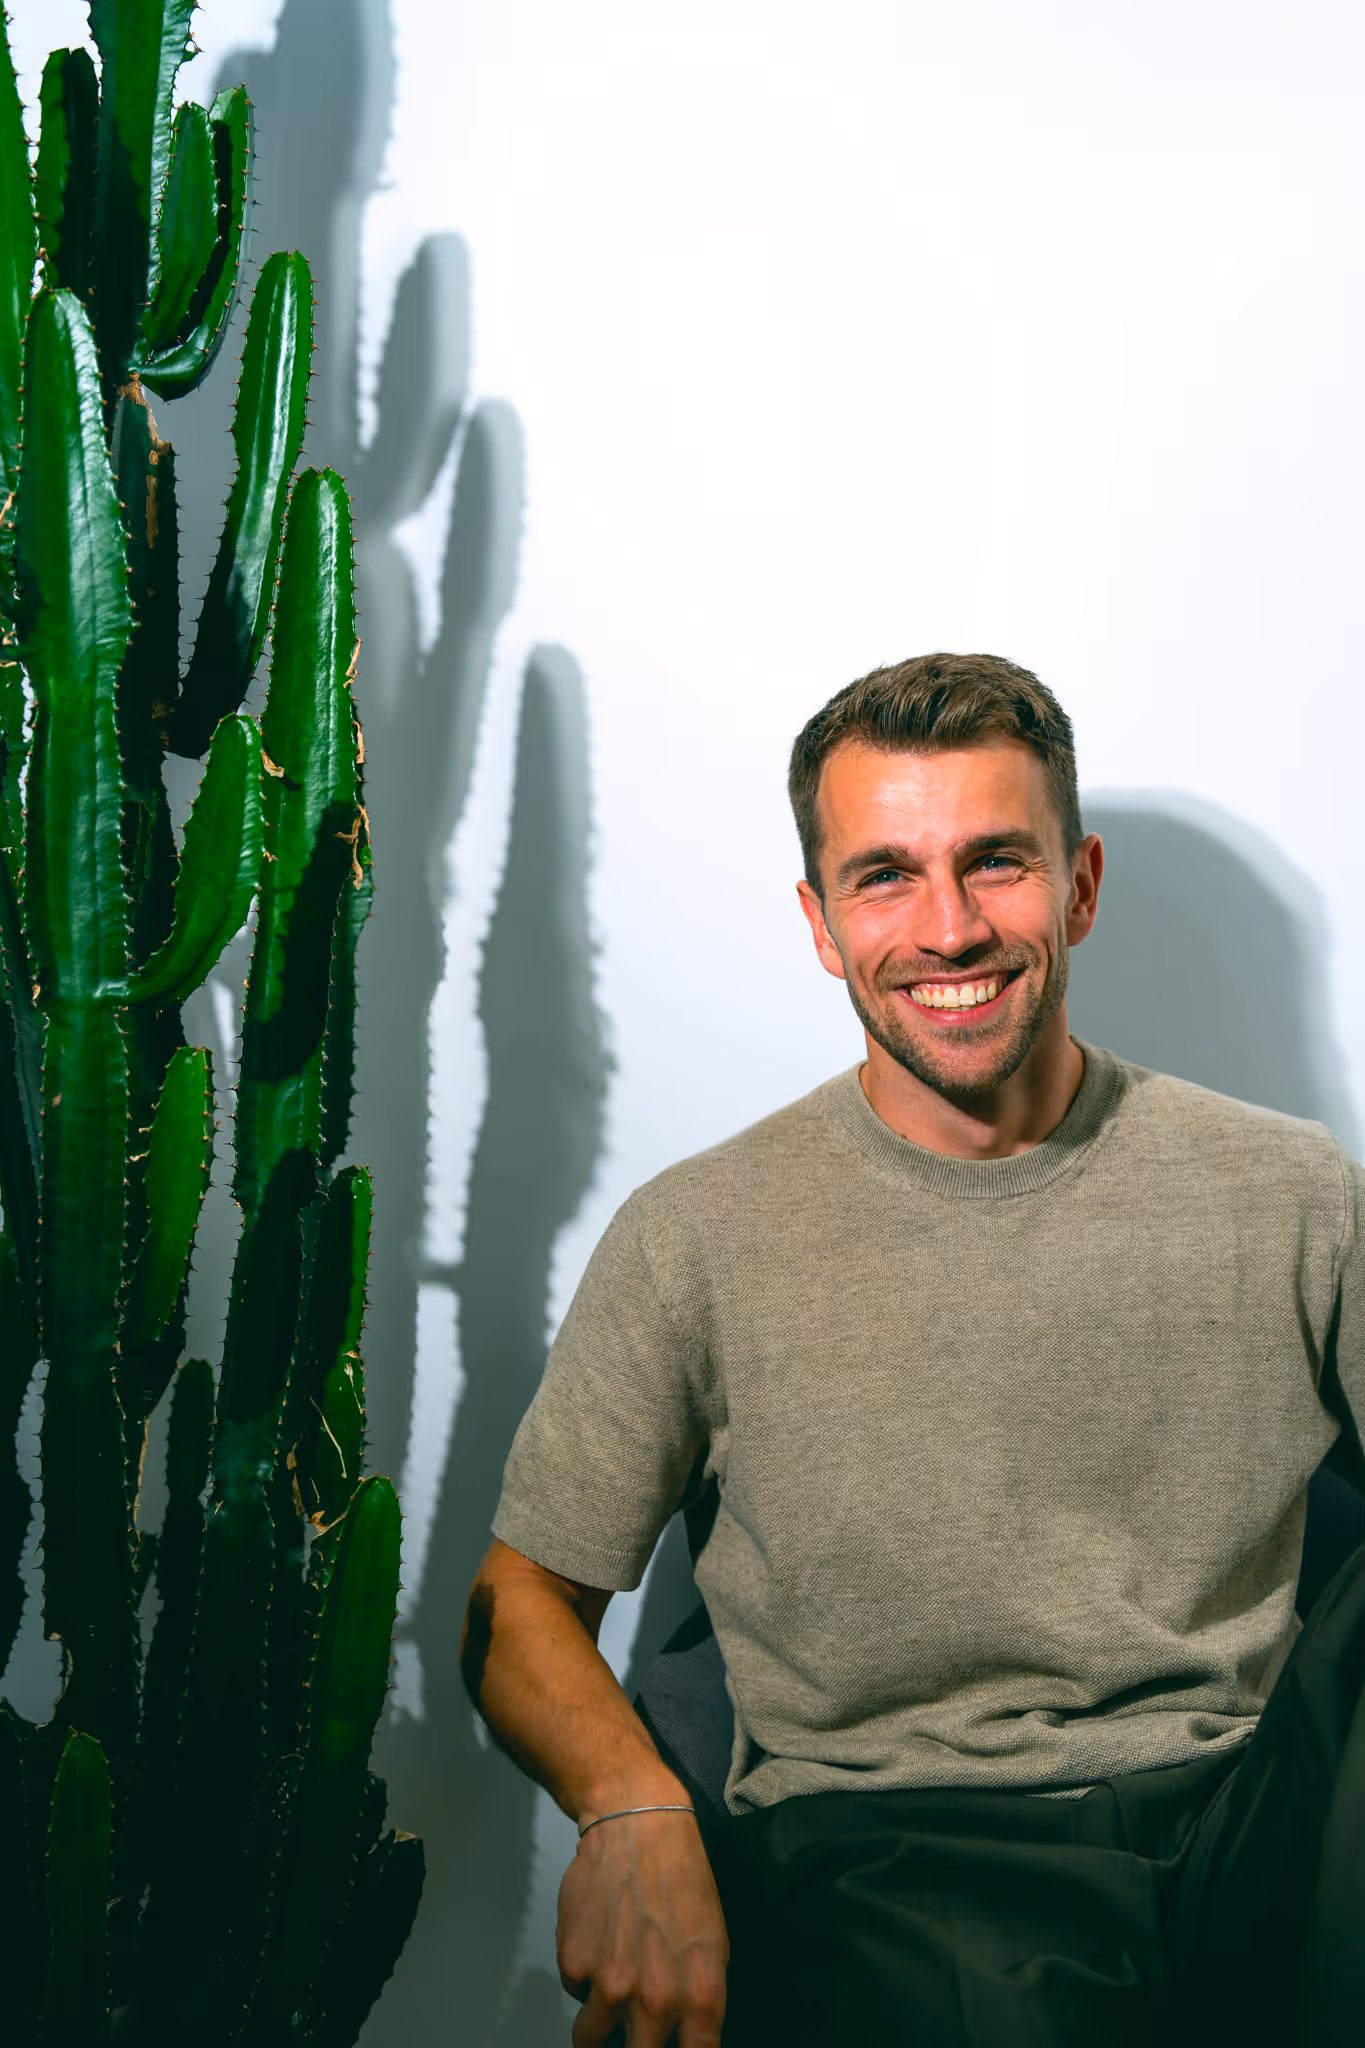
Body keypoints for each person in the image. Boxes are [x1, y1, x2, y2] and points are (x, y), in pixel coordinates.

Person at [460, 652, 1365, 2047]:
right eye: (886, 877)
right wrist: (631, 1809)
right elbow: (520, 1603)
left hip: (1262, 1819)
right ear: (822, 924)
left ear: (1080, 886)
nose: (948, 929)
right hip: (907, 1851)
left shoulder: (1294, 1189)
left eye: (995, 863)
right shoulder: (699, 1235)